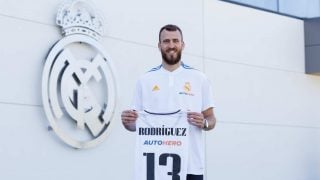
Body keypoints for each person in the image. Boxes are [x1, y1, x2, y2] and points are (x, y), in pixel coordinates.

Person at [121, 24, 216, 180]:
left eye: (175, 41)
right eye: (166, 41)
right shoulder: (144, 80)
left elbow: (211, 119)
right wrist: (127, 122)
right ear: (159, 46)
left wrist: (204, 122)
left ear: (182, 44)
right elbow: (135, 125)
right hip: (154, 167)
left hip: (191, 166)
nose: (171, 46)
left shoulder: (199, 79)